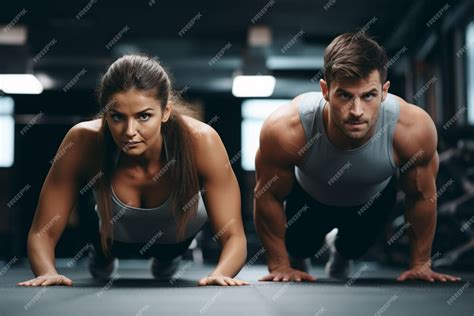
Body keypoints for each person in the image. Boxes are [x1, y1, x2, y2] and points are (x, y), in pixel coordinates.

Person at [18, 55, 249, 287]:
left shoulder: (201, 141)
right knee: (100, 254)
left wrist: (221, 273)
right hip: (110, 238)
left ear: (166, 111)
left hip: (176, 241)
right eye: (117, 117)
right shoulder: (83, 140)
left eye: (144, 116)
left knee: (166, 261)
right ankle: (102, 257)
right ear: (105, 113)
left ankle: (167, 260)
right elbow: (41, 233)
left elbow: (234, 236)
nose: (129, 131)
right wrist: (46, 272)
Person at [254, 33, 461, 283]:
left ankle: (340, 254)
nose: (356, 111)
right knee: (300, 247)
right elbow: (267, 195)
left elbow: (421, 196)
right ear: (325, 90)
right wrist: (279, 265)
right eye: (344, 96)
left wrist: (420, 264)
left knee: (354, 248)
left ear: (384, 91)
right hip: (309, 197)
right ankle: (299, 258)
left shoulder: (412, 128)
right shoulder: (287, 128)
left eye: (368, 96)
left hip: (371, 199)